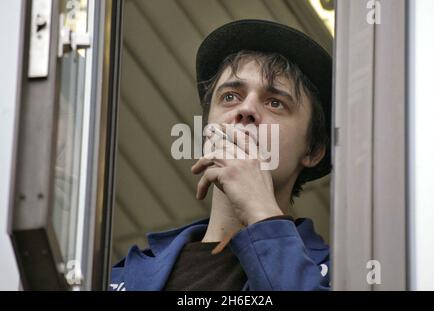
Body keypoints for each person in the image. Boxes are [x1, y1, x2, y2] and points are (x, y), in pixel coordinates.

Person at [109, 19, 332, 291]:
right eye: (230, 97)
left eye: (275, 103)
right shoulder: (122, 277)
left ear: (313, 150)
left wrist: (262, 215)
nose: (246, 109)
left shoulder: (341, 275)